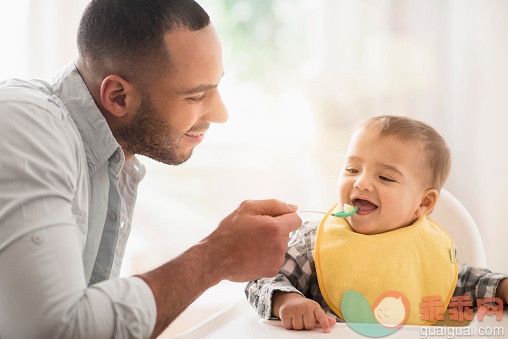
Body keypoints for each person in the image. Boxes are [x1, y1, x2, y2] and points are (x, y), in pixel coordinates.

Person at [0, 1, 301, 338]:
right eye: (195, 96)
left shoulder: (114, 161)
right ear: (117, 97)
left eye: (215, 87)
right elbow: (55, 329)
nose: (221, 113)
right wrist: (215, 257)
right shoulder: (24, 127)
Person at [246, 115, 508, 333]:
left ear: (424, 203)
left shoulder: (426, 250)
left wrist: (501, 287)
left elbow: (462, 283)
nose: (360, 182)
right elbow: (261, 278)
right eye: (352, 170)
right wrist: (286, 300)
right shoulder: (314, 242)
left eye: (384, 177)